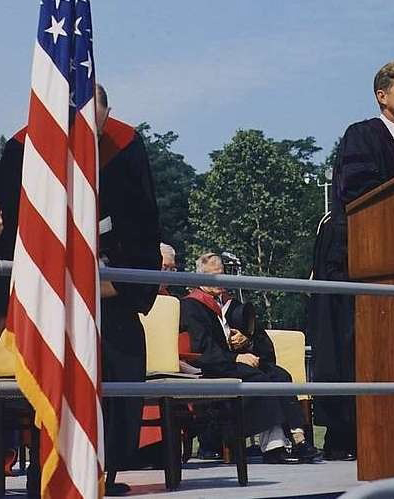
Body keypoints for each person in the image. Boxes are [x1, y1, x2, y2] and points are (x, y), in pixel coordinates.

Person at [0, 84, 161, 495]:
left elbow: (144, 227)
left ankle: (107, 470)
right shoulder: (22, 149)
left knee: (122, 366)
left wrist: (118, 285)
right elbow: (14, 231)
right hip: (45, 294)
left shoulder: (124, 146)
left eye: (96, 122)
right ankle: (42, 469)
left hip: (109, 289)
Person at [307, 60, 394, 461]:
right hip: (354, 255)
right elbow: (358, 191)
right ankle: (347, 434)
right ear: (382, 95)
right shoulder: (362, 135)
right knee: (350, 346)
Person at [180, 253, 322, 464]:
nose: (221, 281)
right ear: (200, 279)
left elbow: (264, 344)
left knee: (280, 375)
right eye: (213, 276)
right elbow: (201, 348)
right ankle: (273, 447)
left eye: (222, 275)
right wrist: (235, 359)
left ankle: (298, 438)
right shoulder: (192, 306)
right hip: (213, 367)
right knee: (261, 381)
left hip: (238, 363)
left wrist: (247, 341)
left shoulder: (234, 305)